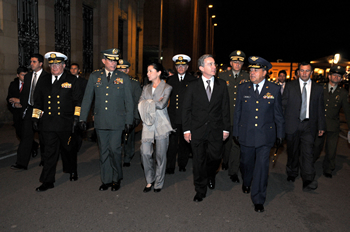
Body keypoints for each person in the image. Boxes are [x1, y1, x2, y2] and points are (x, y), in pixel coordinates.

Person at [233, 56, 284, 213]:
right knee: (246, 164)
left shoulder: (274, 89)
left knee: (262, 168)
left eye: (256, 70)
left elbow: (278, 115)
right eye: (251, 70)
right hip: (246, 134)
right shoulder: (243, 88)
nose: (252, 73)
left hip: (265, 136)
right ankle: (247, 181)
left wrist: (280, 135)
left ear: (264, 72)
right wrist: (236, 131)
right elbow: (238, 112)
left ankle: (259, 199)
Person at [79, 48, 134, 192]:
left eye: (115, 60)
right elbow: (87, 98)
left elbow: (129, 101)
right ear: (104, 61)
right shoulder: (94, 76)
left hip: (117, 122)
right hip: (101, 121)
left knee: (115, 150)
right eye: (111, 60)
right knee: (103, 151)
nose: (114, 63)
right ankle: (106, 180)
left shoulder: (124, 78)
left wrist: (129, 121)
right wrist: (82, 118)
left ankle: (117, 178)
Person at [182, 54, 230, 202]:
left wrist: (226, 128)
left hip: (216, 130)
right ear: (202, 68)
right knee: (198, 161)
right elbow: (186, 109)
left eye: (214, 64)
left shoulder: (222, 85)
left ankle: (211, 174)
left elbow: (225, 109)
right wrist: (187, 130)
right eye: (210, 64)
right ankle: (200, 189)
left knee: (215, 158)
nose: (214, 66)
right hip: (197, 130)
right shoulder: (192, 86)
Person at [32, 51, 82, 191]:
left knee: (68, 149)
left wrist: (76, 118)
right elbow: (38, 101)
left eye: (57, 64)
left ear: (64, 65)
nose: (54, 67)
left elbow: (78, 101)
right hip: (48, 123)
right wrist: (35, 117)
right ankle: (47, 181)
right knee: (49, 153)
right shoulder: (44, 80)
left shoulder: (72, 80)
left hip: (66, 122)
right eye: (52, 65)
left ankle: (72, 170)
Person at [282, 61, 325, 192]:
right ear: (298, 72)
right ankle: (292, 172)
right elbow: (283, 106)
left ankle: (308, 179)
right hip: (292, 124)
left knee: (308, 153)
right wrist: (281, 125)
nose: (304, 73)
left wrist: (321, 126)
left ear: (311, 73)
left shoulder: (318, 89)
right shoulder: (290, 86)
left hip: (309, 125)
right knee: (292, 151)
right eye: (302, 71)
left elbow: (320, 109)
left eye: (307, 71)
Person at [138, 62, 173, 193]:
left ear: (158, 72)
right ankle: (149, 179)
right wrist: (154, 102)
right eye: (147, 71)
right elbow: (140, 104)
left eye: (151, 71)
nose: (148, 73)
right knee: (145, 152)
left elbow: (163, 105)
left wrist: (148, 103)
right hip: (148, 123)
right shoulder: (145, 88)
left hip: (161, 123)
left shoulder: (167, 87)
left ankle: (158, 182)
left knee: (160, 155)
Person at [10, 54, 48, 170]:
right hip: (30, 109)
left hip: (42, 110)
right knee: (26, 136)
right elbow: (25, 94)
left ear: (41, 64)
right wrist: (22, 107)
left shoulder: (47, 77)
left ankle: (45, 160)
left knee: (43, 136)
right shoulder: (28, 77)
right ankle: (21, 163)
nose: (31, 64)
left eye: (34, 62)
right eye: (31, 61)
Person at [313, 65, 350, 178]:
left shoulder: (343, 93)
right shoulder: (320, 88)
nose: (336, 77)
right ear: (329, 76)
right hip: (319, 124)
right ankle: (309, 164)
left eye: (339, 76)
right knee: (316, 147)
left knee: (331, 149)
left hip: (333, 126)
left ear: (341, 79)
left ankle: (328, 168)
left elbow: (347, 111)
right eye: (334, 75)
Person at [218, 50, 249, 183]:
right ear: (231, 63)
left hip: (240, 117)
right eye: (235, 62)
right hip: (225, 116)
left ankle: (233, 171)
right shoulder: (222, 76)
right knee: (224, 143)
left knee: (236, 144)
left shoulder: (247, 76)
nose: (237, 64)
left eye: (240, 62)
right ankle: (224, 161)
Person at [166, 54, 196, 174]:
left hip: (187, 118)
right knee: (172, 143)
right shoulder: (170, 80)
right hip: (173, 116)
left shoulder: (193, 80)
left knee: (185, 143)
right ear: (175, 67)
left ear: (187, 67)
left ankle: (182, 164)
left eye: (183, 65)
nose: (180, 67)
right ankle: (170, 166)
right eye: (178, 65)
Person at [116, 59, 142, 167]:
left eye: (124, 69)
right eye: (119, 69)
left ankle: (127, 157)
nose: (122, 71)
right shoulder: (112, 81)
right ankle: (116, 157)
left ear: (127, 70)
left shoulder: (134, 83)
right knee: (116, 138)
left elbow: (138, 101)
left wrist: (136, 117)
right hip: (116, 116)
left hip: (128, 116)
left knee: (128, 138)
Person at [6, 66, 28, 140]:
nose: (24, 77)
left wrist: (20, 101)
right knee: (19, 133)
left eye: (26, 75)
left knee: (27, 134)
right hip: (17, 114)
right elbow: (9, 98)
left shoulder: (30, 85)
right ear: (18, 75)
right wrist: (14, 105)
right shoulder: (13, 84)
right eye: (22, 75)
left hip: (27, 113)